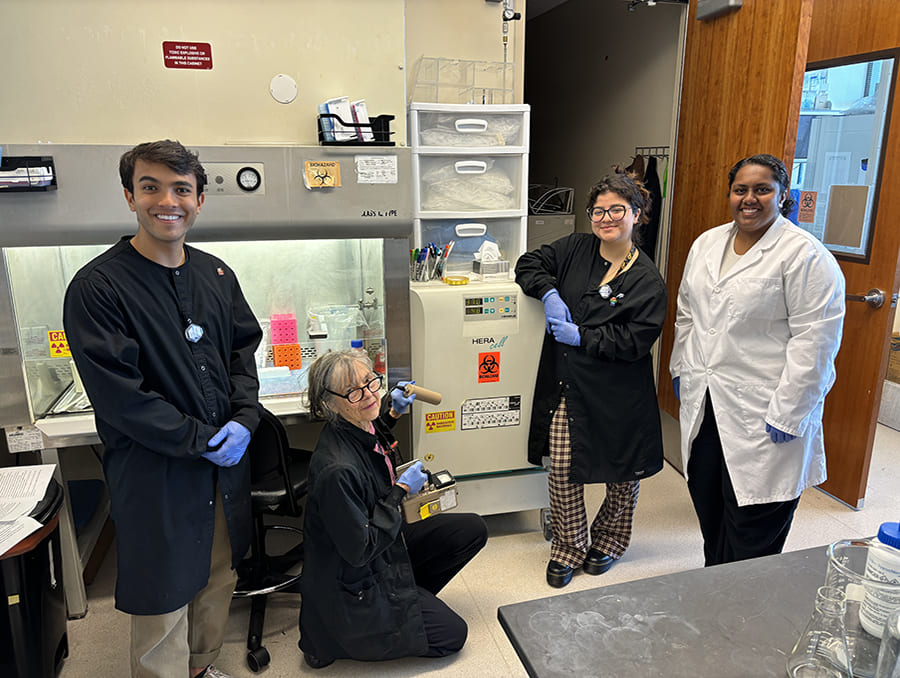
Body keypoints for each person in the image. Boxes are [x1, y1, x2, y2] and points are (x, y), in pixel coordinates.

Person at [63, 140, 263, 678]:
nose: (166, 200)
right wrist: (202, 440)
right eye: (150, 187)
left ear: (199, 200)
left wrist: (245, 420)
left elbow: (242, 355)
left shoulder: (217, 276)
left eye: (181, 189)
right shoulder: (99, 287)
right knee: (165, 593)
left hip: (221, 469)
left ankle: (201, 668)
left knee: (218, 576)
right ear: (130, 196)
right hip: (156, 471)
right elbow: (121, 397)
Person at [669, 153, 845, 567]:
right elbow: (687, 313)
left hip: (767, 412)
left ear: (782, 196)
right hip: (708, 402)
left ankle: (743, 616)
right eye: (740, 189)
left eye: (762, 189)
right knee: (710, 509)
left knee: (754, 527)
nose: (750, 199)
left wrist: (790, 412)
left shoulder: (805, 256)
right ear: (730, 194)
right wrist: (681, 368)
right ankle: (715, 590)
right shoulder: (707, 244)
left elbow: (815, 342)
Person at [515, 173, 668, 588]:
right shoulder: (576, 249)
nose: (606, 218)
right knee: (562, 469)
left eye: (617, 209)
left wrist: (583, 335)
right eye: (598, 210)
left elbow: (636, 340)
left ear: (637, 214)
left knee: (623, 475)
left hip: (619, 392)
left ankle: (611, 541)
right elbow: (528, 263)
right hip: (570, 384)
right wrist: (548, 293)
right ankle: (569, 547)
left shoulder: (647, 280)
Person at [298, 350, 488, 668]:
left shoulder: (357, 427)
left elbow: (371, 446)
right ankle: (329, 642)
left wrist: (392, 416)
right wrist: (400, 491)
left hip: (382, 543)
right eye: (353, 391)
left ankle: (407, 597)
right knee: (453, 635)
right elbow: (360, 550)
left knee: (471, 530)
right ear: (329, 403)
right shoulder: (337, 471)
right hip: (356, 575)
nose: (370, 395)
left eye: (371, 382)